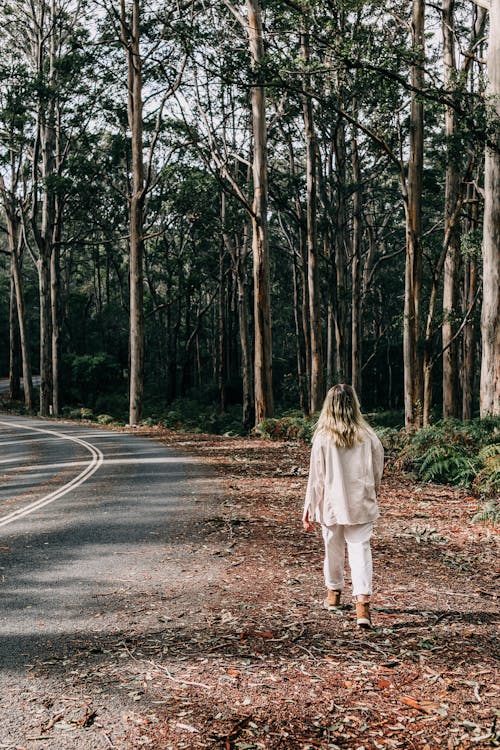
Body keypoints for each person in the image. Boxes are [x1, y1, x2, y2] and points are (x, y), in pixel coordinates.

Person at [302, 384, 384, 629]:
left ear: (329, 406)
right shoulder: (367, 435)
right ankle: (362, 606)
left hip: (331, 504)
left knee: (333, 549)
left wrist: (309, 507)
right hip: (360, 502)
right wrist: (372, 491)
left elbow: (316, 477)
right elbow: (378, 467)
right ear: (354, 403)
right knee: (360, 551)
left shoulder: (323, 438)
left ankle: (334, 595)